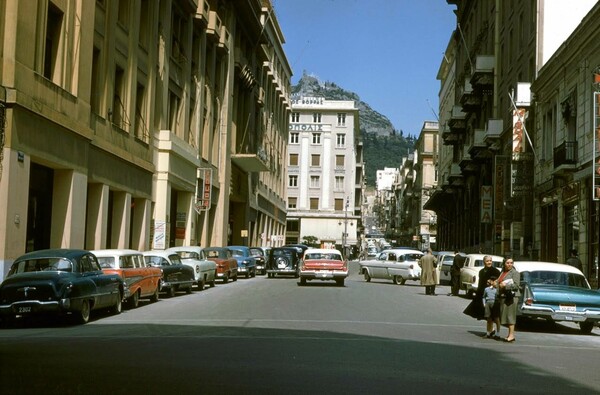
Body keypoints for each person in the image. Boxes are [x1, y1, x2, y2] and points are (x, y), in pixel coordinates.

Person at [497, 257, 520, 342]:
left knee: (510, 315)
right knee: (506, 315)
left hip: (512, 297)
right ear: (504, 263)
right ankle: (509, 335)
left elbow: (516, 285)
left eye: (511, 263)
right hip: (504, 296)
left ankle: (511, 335)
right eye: (507, 263)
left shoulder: (515, 273)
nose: (509, 264)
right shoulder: (503, 272)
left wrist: (505, 286)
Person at [475, 255, 501, 331]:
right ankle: (490, 330)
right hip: (483, 293)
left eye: (490, 261)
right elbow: (480, 283)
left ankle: (494, 330)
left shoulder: (495, 271)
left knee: (493, 314)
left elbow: (497, 283)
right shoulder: (481, 271)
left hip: (492, 295)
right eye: (487, 261)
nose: (489, 262)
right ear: (484, 262)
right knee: (486, 314)